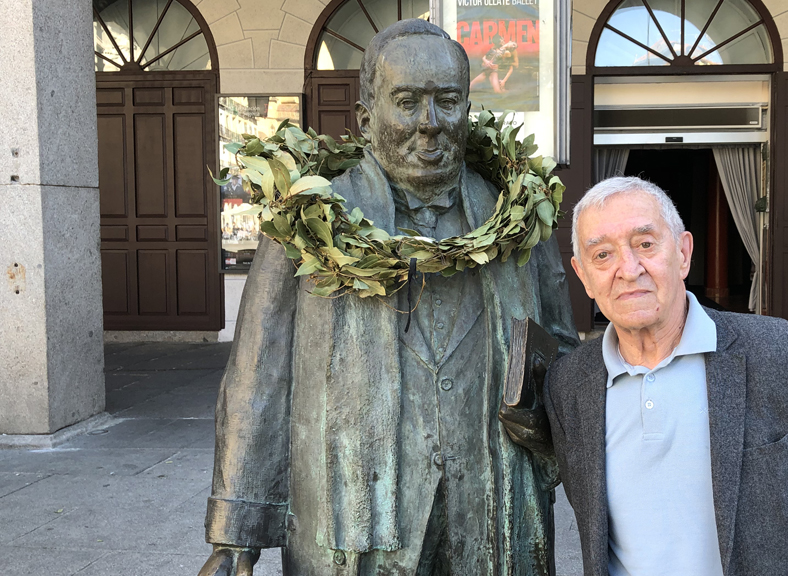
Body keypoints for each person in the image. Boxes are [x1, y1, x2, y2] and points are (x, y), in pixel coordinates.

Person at [198, 19, 578, 576]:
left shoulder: (517, 219)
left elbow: (563, 351)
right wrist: (236, 536)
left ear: (466, 109)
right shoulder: (308, 221)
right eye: (407, 102)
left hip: (494, 512)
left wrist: (548, 415)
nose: (429, 125)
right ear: (367, 115)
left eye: (446, 101)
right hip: (351, 520)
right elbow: (260, 376)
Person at [539, 177, 788, 576]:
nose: (628, 270)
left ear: (683, 253)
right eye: (602, 255)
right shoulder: (568, 383)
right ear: (583, 275)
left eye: (645, 244)